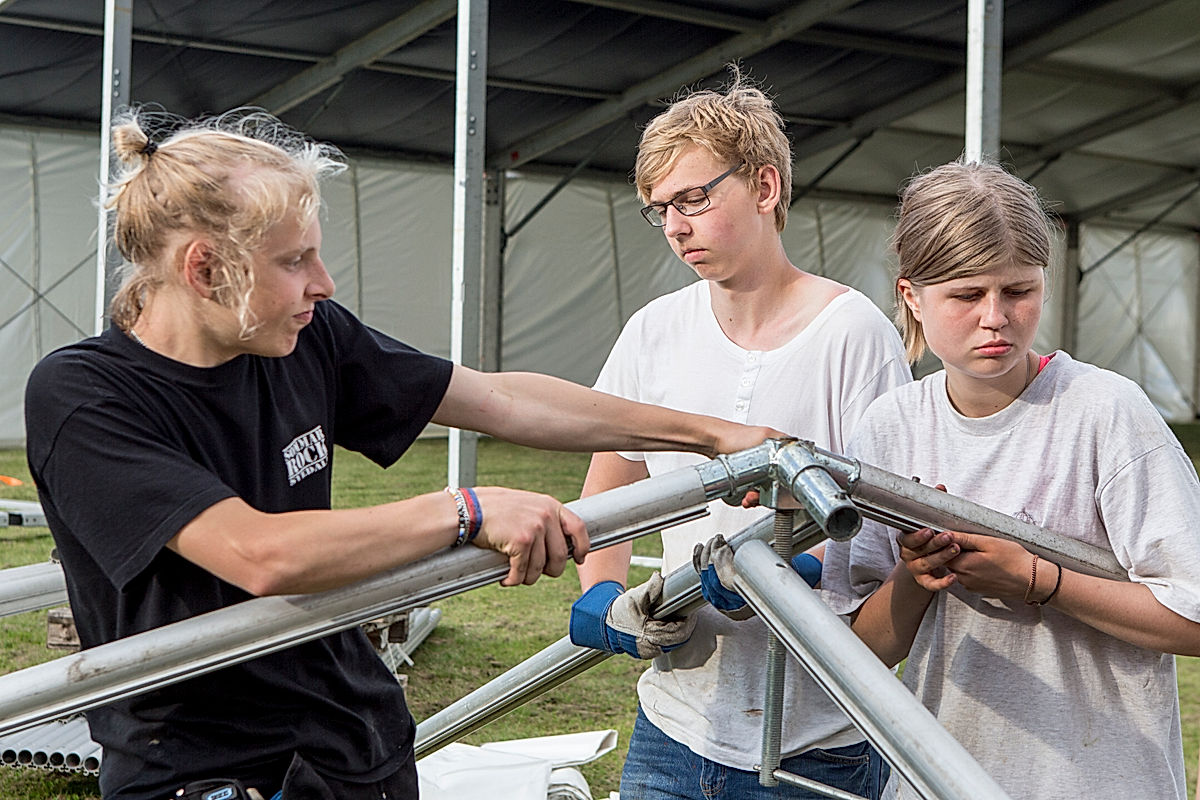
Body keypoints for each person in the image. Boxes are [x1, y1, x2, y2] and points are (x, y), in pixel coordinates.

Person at [22, 108, 782, 800]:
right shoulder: (86, 396)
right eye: (295, 261)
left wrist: (713, 434)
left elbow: (498, 399)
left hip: (354, 744)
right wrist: (466, 510)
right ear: (203, 268)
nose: (323, 283)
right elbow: (258, 553)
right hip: (210, 770)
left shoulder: (303, 337)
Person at [567, 72, 910, 800]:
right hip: (673, 725)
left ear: (763, 185)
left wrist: (783, 571)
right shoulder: (654, 331)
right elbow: (607, 494)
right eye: (659, 209)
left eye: (694, 199)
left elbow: (882, 534)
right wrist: (605, 599)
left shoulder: (852, 335)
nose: (675, 226)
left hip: (815, 740)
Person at [820, 158, 1200, 799]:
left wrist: (1036, 580)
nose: (994, 317)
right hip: (938, 780)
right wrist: (915, 578)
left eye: (1018, 291)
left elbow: (1193, 617)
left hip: (1097, 782)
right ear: (911, 295)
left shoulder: (1106, 412)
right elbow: (861, 647)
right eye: (966, 295)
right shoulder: (888, 427)